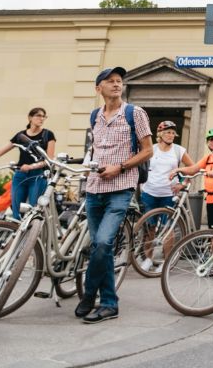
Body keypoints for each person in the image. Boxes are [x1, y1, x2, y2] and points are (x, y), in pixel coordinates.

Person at [78, 67, 153, 324]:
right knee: (102, 247)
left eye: (119, 81)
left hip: (120, 188)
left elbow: (148, 151)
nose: (116, 84)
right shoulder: (94, 116)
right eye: (110, 81)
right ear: (98, 88)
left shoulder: (135, 113)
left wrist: (119, 167)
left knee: (102, 243)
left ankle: (89, 295)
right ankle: (109, 303)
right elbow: (95, 150)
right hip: (93, 188)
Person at [168, 128, 213, 278]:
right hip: (212, 198)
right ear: (207, 142)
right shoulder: (207, 158)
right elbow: (194, 169)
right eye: (211, 139)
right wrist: (178, 170)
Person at [0, 107, 56, 220]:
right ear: (30, 118)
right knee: (16, 210)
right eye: (38, 115)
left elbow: (49, 159)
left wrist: (31, 166)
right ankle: (16, 234)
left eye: (44, 116)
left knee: (34, 210)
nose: (42, 119)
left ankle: (33, 235)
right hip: (20, 175)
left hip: (38, 175)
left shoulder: (48, 135)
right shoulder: (20, 136)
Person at [136, 120, 193, 272]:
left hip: (168, 195)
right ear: (160, 134)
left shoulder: (179, 150)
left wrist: (183, 183)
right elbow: (140, 167)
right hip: (149, 193)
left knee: (168, 229)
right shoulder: (151, 149)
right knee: (150, 228)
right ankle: (148, 258)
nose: (171, 135)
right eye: (167, 132)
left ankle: (166, 262)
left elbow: (192, 168)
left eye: (173, 132)